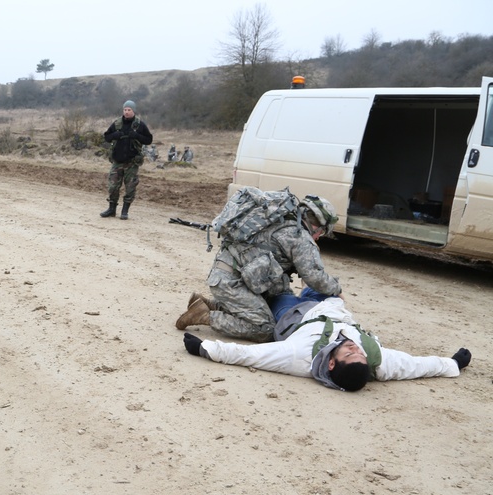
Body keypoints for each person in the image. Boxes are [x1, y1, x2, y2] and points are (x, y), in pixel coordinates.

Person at [181, 295, 471, 392]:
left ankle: (212, 306)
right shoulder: (378, 361)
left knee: (274, 292)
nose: (356, 349)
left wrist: (204, 348)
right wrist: (453, 363)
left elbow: (249, 355)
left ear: (331, 363)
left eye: (349, 353)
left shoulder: (299, 357)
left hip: (293, 313)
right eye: (358, 353)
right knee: (325, 286)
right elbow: (416, 365)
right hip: (332, 305)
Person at [176, 194, 343, 342]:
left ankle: (208, 304)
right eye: (321, 234)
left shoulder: (278, 218)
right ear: (318, 228)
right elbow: (315, 278)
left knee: (274, 300)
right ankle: (205, 316)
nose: (318, 238)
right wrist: (336, 289)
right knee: (266, 329)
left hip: (224, 276)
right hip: (233, 284)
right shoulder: (300, 237)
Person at [100, 100, 154, 220]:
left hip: (132, 162)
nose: (127, 112)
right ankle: (111, 209)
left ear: (133, 111)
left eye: (129, 110)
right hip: (117, 161)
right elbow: (107, 137)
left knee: (130, 188)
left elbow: (149, 140)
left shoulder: (140, 125)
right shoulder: (117, 123)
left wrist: (136, 136)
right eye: (125, 109)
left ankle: (125, 211)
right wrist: (115, 135)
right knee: (113, 187)